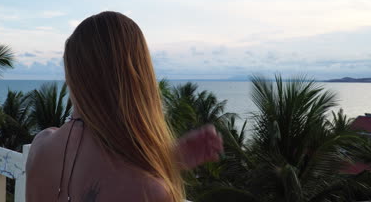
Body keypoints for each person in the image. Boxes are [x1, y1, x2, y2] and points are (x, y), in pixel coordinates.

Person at [26, 11, 223, 202]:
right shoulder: (149, 191)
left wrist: (166, 160)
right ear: (137, 78)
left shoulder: (41, 146)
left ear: (73, 74)